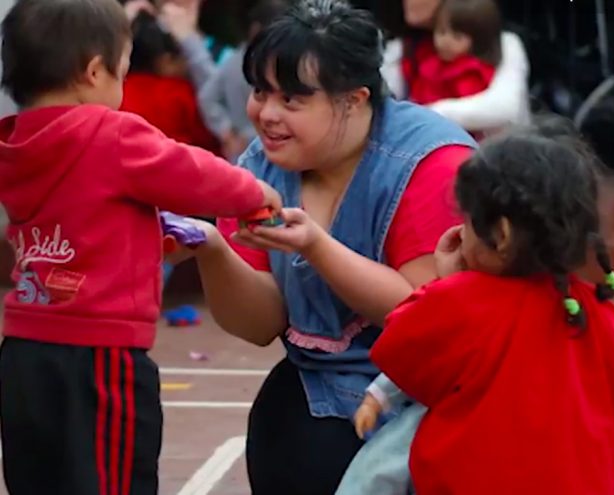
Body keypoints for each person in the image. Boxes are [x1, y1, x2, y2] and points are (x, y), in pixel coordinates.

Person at [168, 0, 476, 493]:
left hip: (426, 393)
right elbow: (259, 325)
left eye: (291, 100)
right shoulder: (255, 168)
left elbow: (427, 321)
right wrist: (212, 250)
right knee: (283, 415)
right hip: (320, 386)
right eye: (259, 92)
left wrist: (316, 246)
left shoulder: (432, 164)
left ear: (353, 100)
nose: (265, 114)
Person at [0, 0, 280, 493]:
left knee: (39, 478)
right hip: (99, 354)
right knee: (115, 480)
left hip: (24, 349)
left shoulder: (14, 143)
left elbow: (85, 208)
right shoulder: (110, 132)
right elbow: (191, 172)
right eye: (123, 71)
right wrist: (255, 191)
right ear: (92, 72)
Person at [370, 117, 614, 494]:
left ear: (501, 234)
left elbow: (400, 353)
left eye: (469, 220)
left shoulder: (462, 302)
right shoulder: (599, 311)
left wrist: (446, 282)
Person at [160, 0, 289, 160]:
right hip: (257, 147)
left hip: (244, 148)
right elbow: (207, 96)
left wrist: (225, 130)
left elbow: (207, 96)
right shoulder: (239, 60)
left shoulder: (235, 59)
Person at [382, 0, 530, 134]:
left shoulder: (505, 43)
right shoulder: (401, 48)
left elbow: (504, 108)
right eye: (441, 32)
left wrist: (425, 115)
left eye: (457, 36)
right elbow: (382, 104)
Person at [121, 9, 220, 151]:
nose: (186, 65)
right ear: (165, 61)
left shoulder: (119, 89)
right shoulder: (178, 92)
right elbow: (208, 139)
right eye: (183, 58)